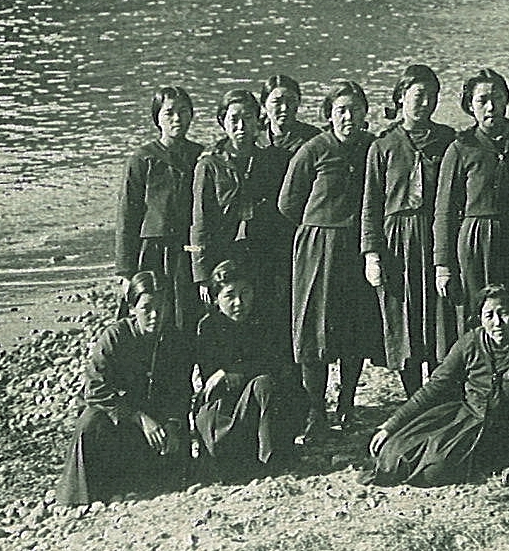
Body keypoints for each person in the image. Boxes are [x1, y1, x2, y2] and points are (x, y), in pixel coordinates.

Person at [278, 79, 383, 439]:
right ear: (329, 114)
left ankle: (347, 406)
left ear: (365, 113)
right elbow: (288, 203)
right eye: (340, 110)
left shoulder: (371, 147)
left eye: (355, 110)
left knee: (354, 329)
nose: (348, 117)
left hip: (357, 247)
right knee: (315, 331)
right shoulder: (313, 149)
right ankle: (315, 413)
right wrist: (320, 225)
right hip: (318, 248)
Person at [364, 285, 509, 487]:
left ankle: (507, 465)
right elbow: (435, 387)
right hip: (468, 420)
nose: (497, 322)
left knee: (435, 472)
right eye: (489, 315)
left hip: (508, 427)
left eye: (504, 313)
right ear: (480, 318)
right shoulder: (470, 343)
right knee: (395, 452)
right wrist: (391, 426)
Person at [57, 270, 193, 506]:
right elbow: (95, 389)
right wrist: (138, 417)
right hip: (122, 422)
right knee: (90, 421)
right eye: (146, 308)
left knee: (172, 469)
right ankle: (84, 495)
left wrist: (173, 424)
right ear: (132, 309)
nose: (155, 315)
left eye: (161, 307)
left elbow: (181, 391)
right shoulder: (115, 337)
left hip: (159, 427)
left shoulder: (175, 340)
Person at [363, 64, 458, 397]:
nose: (426, 103)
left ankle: (438, 393)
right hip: (397, 241)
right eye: (419, 95)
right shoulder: (383, 146)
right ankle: (412, 395)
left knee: (437, 315)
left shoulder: (447, 140)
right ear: (401, 97)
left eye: (433, 96)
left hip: (435, 233)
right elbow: (371, 204)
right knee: (403, 316)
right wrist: (372, 254)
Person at [434, 69, 509, 334]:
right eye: (482, 100)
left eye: (497, 98)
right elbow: (445, 210)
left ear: (506, 100)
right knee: (477, 308)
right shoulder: (461, 148)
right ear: (470, 106)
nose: (491, 107)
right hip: (476, 239)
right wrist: (443, 265)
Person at [193, 260, 302, 481]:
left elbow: (277, 364)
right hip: (228, 411)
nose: (239, 303)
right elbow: (212, 382)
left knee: (265, 384)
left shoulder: (264, 321)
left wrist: (234, 373)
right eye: (229, 296)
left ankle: (271, 460)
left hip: (261, 404)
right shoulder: (208, 327)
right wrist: (232, 375)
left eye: (245, 293)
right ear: (216, 299)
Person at [115, 86, 201, 333]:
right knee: (153, 313)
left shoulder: (199, 156)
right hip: (153, 251)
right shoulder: (143, 159)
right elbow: (127, 215)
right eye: (169, 113)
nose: (177, 119)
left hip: (188, 249)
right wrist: (126, 271)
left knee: (187, 316)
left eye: (183, 111)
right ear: (157, 118)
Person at [192, 90, 278, 314]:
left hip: (262, 252)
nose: (241, 126)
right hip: (223, 253)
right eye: (234, 119)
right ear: (223, 122)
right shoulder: (210, 165)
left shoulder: (270, 160)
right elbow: (200, 222)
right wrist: (202, 273)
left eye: (248, 118)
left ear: (257, 120)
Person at [255, 75, 315, 355]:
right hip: (261, 237)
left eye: (291, 101)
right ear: (264, 105)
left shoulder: (311, 140)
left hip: (299, 233)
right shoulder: (253, 140)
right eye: (277, 101)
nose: (284, 108)